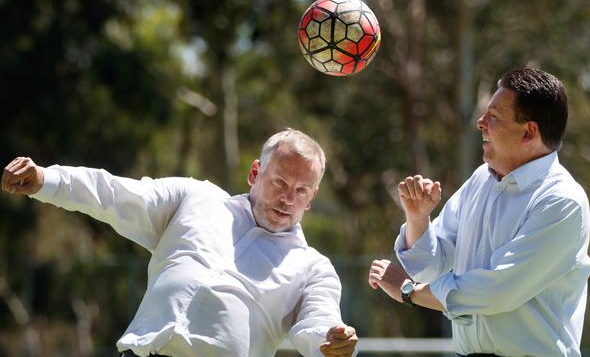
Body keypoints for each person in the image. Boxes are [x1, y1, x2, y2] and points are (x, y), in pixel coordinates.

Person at [2, 129, 358, 357]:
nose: (287, 199)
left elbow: (319, 323)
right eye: (280, 182)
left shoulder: (314, 267)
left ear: (312, 198)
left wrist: (333, 339)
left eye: (301, 191)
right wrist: (46, 180)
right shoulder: (196, 196)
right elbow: (113, 193)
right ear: (255, 173)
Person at [368, 68, 590, 357]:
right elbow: (430, 267)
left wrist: (409, 292)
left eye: (494, 117)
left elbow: (497, 291)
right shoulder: (480, 180)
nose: (480, 123)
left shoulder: (562, 201)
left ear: (529, 132)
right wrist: (417, 218)